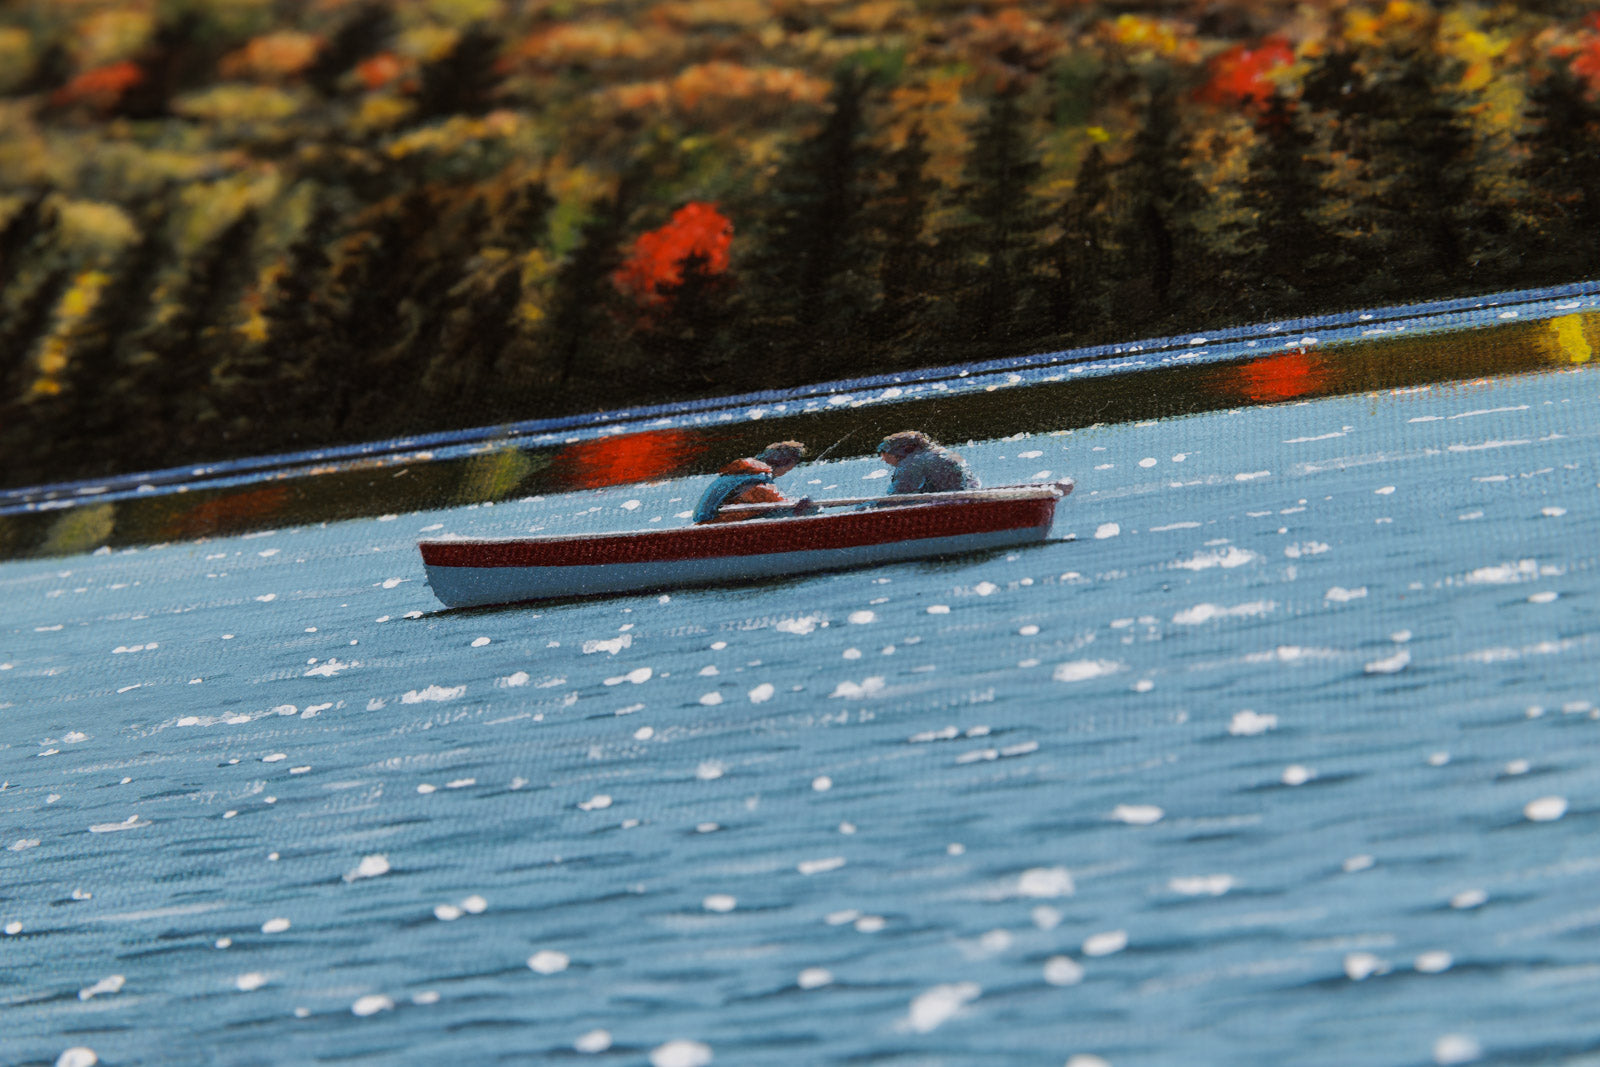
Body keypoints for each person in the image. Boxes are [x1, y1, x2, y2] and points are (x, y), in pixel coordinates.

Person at [692, 441, 817, 523]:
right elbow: (765, 496)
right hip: (714, 527)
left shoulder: (743, 471)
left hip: (707, 523)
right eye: (792, 465)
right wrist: (796, 506)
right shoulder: (759, 476)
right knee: (809, 510)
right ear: (788, 463)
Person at [876, 431, 980, 494]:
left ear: (897, 452)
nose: (884, 460)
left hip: (947, 505)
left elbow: (897, 495)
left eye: (886, 455)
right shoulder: (942, 452)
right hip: (967, 497)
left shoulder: (911, 464)